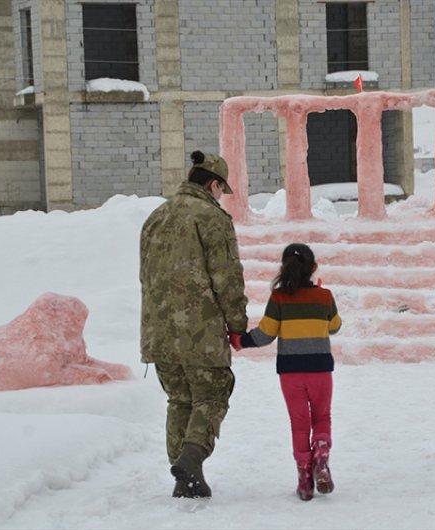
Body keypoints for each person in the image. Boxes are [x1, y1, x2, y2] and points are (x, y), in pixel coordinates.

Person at [140, 150, 248, 498]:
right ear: (214, 184)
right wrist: (237, 323)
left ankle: (184, 478)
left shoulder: (156, 217)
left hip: (158, 332)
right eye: (221, 189)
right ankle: (192, 457)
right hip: (200, 332)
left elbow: (145, 275)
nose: (221, 196)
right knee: (213, 394)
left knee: (179, 400)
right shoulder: (211, 218)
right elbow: (227, 277)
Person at [232, 244, 342, 501]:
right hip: (320, 370)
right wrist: (322, 300)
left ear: (284, 268)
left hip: (291, 372)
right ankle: (322, 455)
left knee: (300, 424)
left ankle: (305, 480)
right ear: (313, 268)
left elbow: (266, 334)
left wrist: (241, 341)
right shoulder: (325, 297)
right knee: (322, 416)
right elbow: (335, 327)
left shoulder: (279, 298)